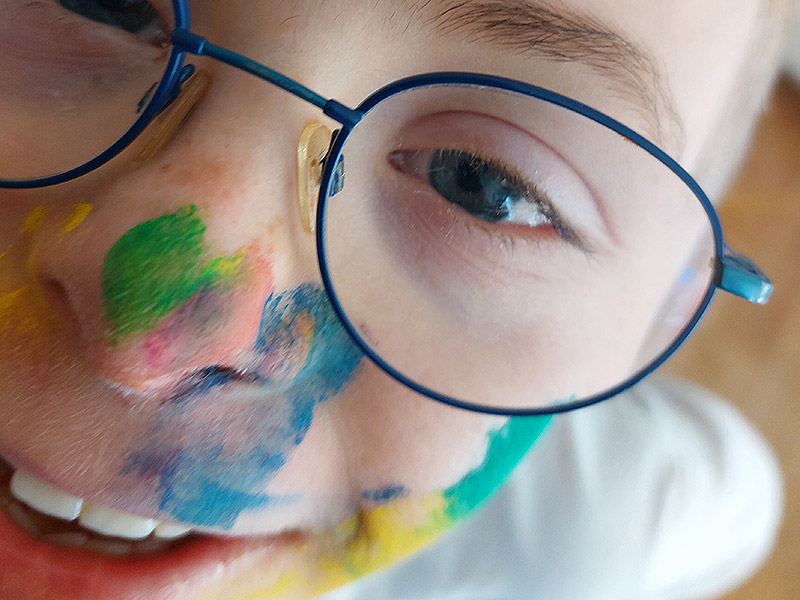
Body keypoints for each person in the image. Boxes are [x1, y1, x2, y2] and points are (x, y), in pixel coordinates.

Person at [0, 1, 791, 599]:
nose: (146, 336)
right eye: (97, 2)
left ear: (667, 314)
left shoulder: (607, 519)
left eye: (480, 186)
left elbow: (736, 507)